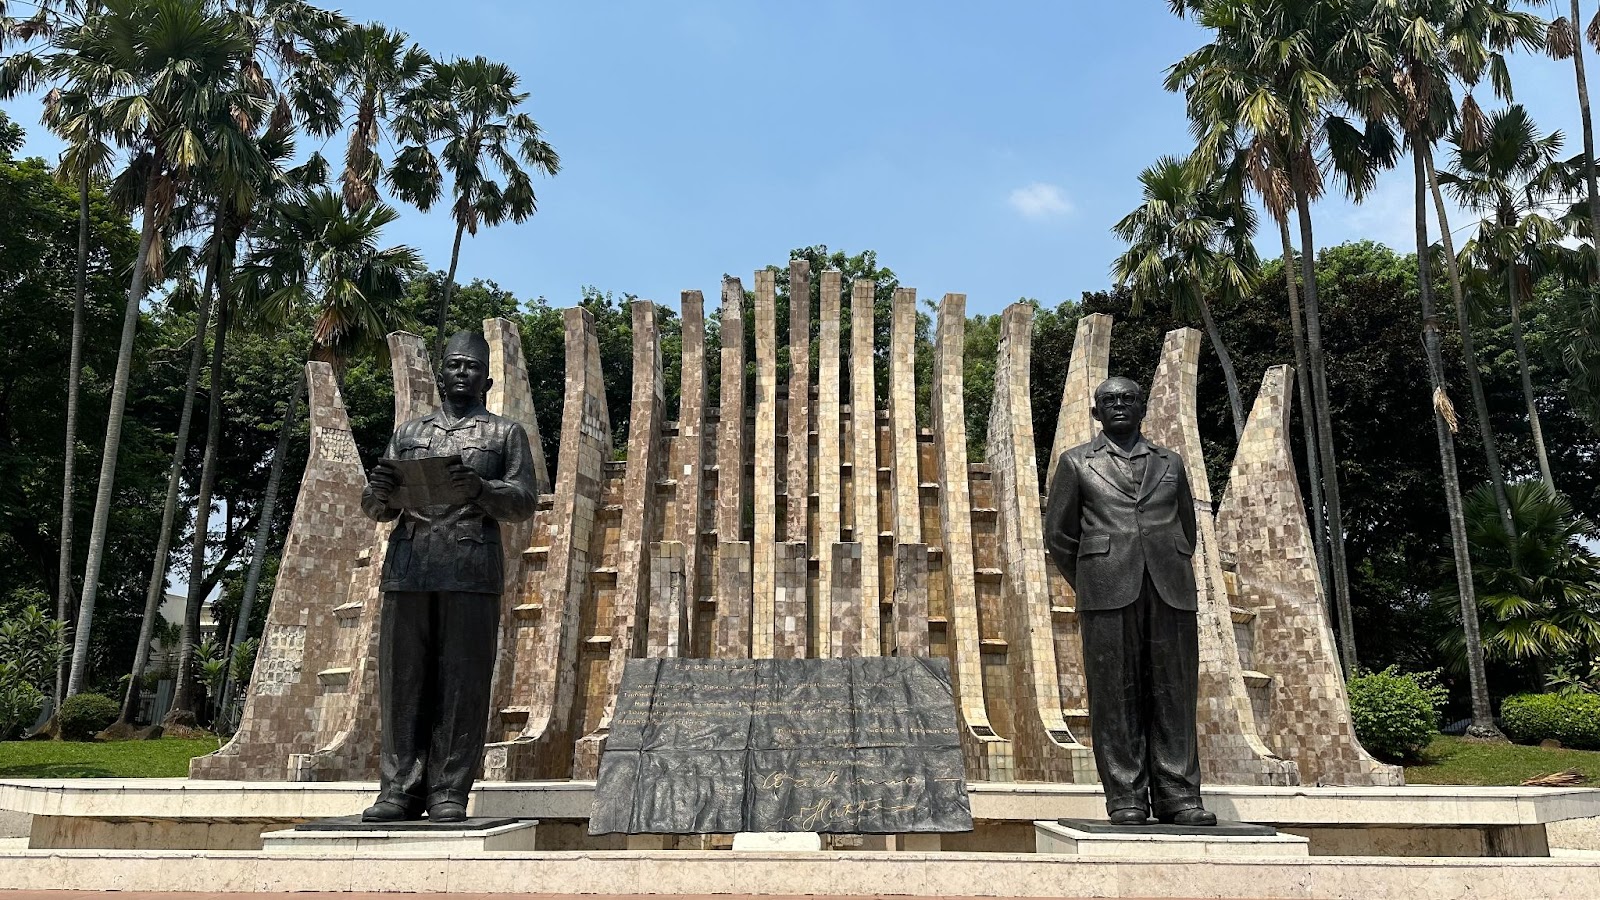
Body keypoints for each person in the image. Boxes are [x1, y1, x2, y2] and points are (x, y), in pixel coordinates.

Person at [359, 330, 537, 823]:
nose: (462, 373)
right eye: (455, 365)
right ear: (442, 374)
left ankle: (448, 791)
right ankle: (398, 790)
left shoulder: (505, 435)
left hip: (471, 569)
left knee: (463, 681)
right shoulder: (410, 433)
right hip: (410, 566)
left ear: (488, 378)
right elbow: (376, 509)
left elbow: (523, 502)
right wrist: (379, 493)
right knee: (403, 681)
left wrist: (481, 488)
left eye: (471, 367)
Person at [1043, 376, 1216, 827]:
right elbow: (1059, 536)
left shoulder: (1171, 463)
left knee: (1174, 691)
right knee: (1114, 693)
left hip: (1169, 587)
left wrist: (1166, 561)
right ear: (1096, 412)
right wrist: (1092, 578)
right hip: (1106, 589)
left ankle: (1179, 796)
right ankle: (1126, 796)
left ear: (1143, 407)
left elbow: (1186, 528)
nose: (1119, 406)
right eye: (1109, 401)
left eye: (1128, 399)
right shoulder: (1077, 462)